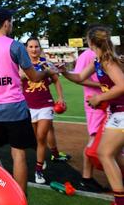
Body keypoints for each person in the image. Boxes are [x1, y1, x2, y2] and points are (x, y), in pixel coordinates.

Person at [0, 8, 58, 195]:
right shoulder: (15, 46)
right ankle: (20, 199)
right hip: (15, 109)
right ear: (6, 22)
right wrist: (48, 72)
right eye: (12, 21)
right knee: (18, 155)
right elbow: (34, 77)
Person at [58, 25, 124, 204]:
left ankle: (120, 200)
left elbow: (122, 85)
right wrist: (64, 72)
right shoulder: (98, 61)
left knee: (105, 153)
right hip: (117, 113)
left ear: (91, 42)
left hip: (121, 113)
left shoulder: (107, 61)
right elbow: (79, 77)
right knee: (114, 154)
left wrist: (99, 98)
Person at [19, 37, 66, 184]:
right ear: (26, 49)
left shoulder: (46, 64)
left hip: (46, 104)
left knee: (41, 137)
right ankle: (44, 158)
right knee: (34, 138)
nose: (34, 49)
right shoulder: (22, 65)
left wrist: (60, 97)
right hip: (29, 106)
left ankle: (38, 171)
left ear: (40, 48)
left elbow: (56, 80)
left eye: (36, 46)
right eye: (31, 47)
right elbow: (19, 81)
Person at [67, 45, 110, 192]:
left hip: (107, 102)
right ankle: (86, 178)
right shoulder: (87, 55)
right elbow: (79, 77)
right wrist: (102, 84)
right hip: (94, 103)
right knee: (94, 140)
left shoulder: (105, 53)